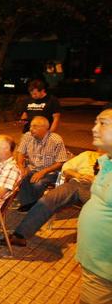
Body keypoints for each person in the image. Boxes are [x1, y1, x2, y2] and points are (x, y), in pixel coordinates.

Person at [0, 149, 102, 248]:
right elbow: (66, 168)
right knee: (47, 200)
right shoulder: (88, 155)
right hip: (77, 183)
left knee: (98, 213)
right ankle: (20, 236)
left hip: (100, 191)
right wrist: (78, 175)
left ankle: (93, 243)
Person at [75, 108, 112, 304]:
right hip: (95, 268)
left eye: (103, 123)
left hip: (104, 273)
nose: (94, 128)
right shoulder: (106, 162)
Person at [16, 116, 68, 212]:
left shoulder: (55, 140)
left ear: (45, 128)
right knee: (20, 177)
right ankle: (26, 203)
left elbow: (61, 161)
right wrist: (20, 166)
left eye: (35, 127)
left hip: (51, 171)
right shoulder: (27, 136)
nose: (31, 129)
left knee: (38, 183)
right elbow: (20, 152)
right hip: (32, 168)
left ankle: (37, 204)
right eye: (31, 126)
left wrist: (43, 171)